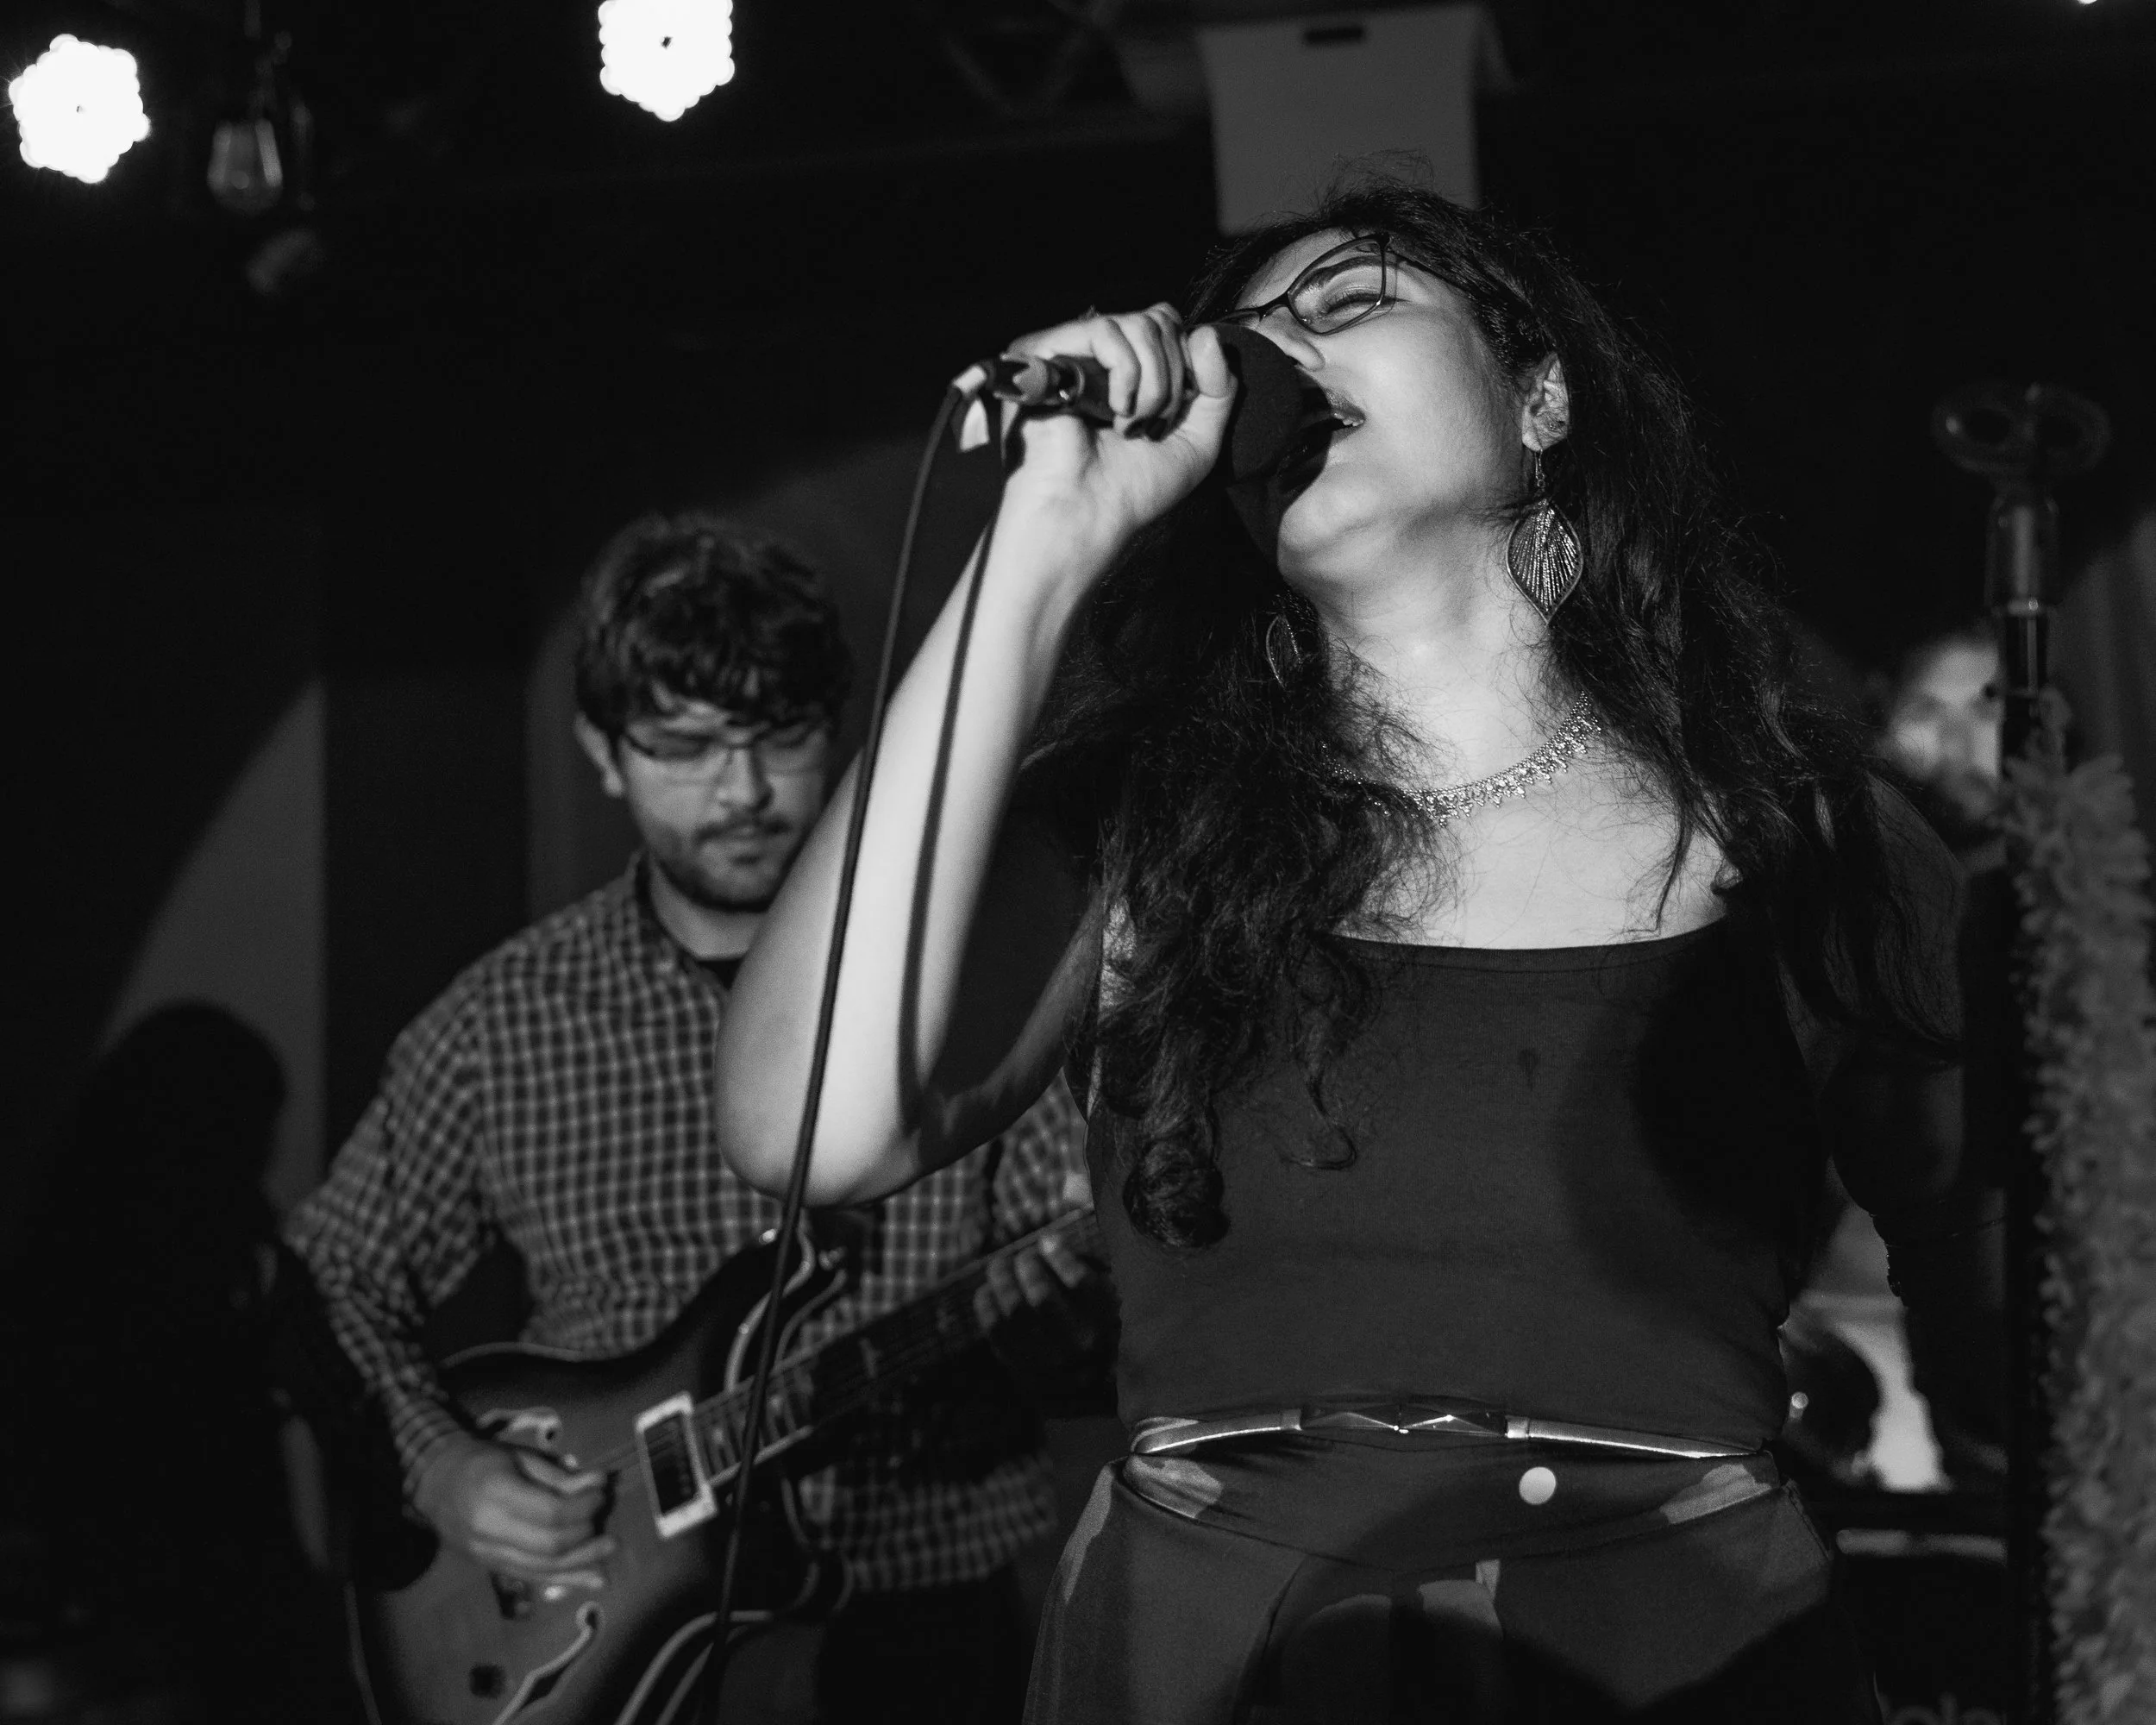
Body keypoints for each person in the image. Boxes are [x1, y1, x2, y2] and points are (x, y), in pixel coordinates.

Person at [716, 172, 1997, 1722]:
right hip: (1228, 1630)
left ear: (1541, 397)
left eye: (1351, 305)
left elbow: (2028, 1222)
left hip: (1682, 1639)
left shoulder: (1790, 816)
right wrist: (1043, 544)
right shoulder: (1146, 825)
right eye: (1244, 339)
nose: (1276, 356)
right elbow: (806, 1126)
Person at [286, 514, 1108, 1724]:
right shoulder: (501, 1022)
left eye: (780, 739)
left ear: (840, 728)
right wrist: (441, 1464)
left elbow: (1071, 1313)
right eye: (682, 747)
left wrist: (1065, 1323)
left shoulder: (968, 982)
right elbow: (331, 1268)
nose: (741, 791)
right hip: (607, 1642)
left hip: (922, 1613)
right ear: (603, 753)